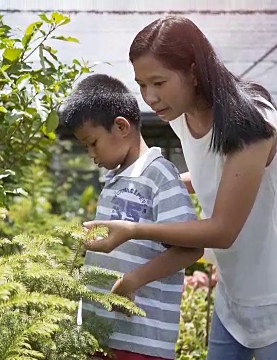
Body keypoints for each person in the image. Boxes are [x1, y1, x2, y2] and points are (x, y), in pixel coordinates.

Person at [83, 16, 277, 360]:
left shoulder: (252, 123)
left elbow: (223, 230)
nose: (150, 97)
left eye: (159, 82)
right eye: (142, 84)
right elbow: (213, 175)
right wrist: (152, 191)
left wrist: (133, 229)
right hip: (238, 284)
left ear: (193, 72)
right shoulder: (181, 115)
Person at [60, 73, 204, 360]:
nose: (90, 153)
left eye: (93, 143)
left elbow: (190, 248)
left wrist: (132, 281)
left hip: (141, 340)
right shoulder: (114, 179)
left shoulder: (159, 175)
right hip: (101, 333)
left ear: (121, 126)